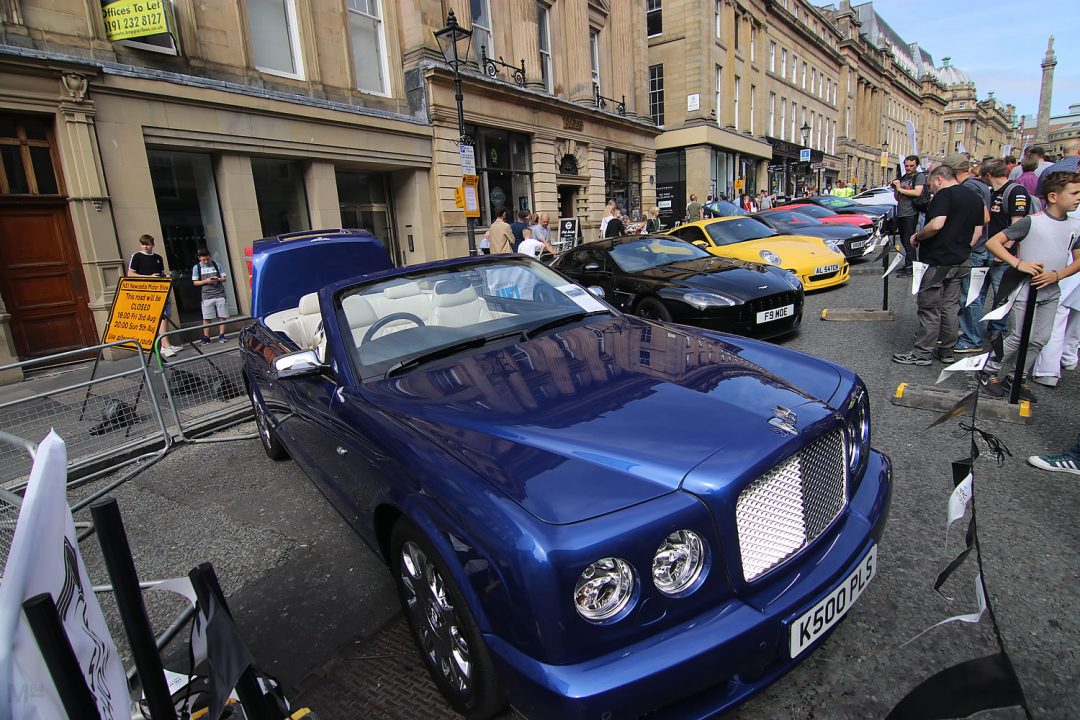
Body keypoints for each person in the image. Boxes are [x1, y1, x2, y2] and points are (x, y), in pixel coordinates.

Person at [982, 172, 1080, 401]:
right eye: (1074, 193)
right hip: (1024, 289)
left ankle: (1018, 376)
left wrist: (1056, 276)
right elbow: (993, 242)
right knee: (1017, 336)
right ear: (1053, 196)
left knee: (1040, 339)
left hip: (1050, 290)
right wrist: (1019, 263)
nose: (1078, 198)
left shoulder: (1076, 225)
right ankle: (989, 370)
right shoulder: (1032, 221)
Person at [892, 165, 985, 366]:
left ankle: (923, 353)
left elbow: (936, 224)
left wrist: (917, 236)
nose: (930, 189)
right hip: (961, 260)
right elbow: (978, 230)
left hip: (936, 261)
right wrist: (963, 247)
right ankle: (947, 351)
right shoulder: (974, 198)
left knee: (929, 307)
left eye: (931, 184)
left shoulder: (944, 196)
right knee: (950, 307)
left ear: (940, 179)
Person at [954, 158, 1029, 353]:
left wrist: (1003, 250)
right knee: (975, 295)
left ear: (987, 175)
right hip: (984, 251)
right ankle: (974, 336)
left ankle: (997, 332)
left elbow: (1017, 225)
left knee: (1001, 295)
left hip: (1001, 254)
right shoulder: (989, 192)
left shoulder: (1016, 191)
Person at [127, 234, 179, 357]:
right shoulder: (137, 256)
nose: (145, 246)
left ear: (152, 245)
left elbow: (161, 273)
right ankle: (165, 346)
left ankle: (166, 344)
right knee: (160, 317)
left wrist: (166, 276)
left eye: (148, 244)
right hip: (147, 291)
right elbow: (130, 274)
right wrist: (149, 277)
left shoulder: (158, 257)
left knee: (165, 316)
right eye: (143, 244)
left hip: (161, 289)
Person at [891, 155, 927, 278]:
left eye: (911, 166)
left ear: (916, 165)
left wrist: (900, 188)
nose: (908, 168)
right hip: (901, 212)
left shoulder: (919, 176)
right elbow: (897, 197)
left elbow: (917, 192)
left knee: (909, 241)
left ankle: (911, 268)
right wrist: (897, 189)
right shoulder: (904, 177)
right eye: (906, 165)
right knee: (904, 240)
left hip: (911, 213)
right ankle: (908, 264)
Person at [191, 248, 229, 344]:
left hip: (219, 292)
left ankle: (222, 334)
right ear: (199, 258)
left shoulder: (217, 265)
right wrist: (206, 281)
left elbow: (224, 278)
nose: (206, 261)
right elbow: (195, 282)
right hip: (206, 294)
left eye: (208, 259)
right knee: (207, 317)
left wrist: (218, 279)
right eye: (204, 260)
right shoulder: (197, 268)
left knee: (222, 315)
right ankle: (206, 336)